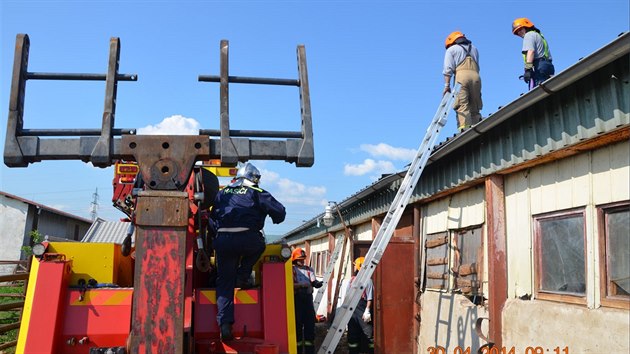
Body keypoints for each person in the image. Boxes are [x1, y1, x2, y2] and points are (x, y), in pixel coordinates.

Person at [211, 162, 286, 341]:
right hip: (247, 239)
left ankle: (225, 324)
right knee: (260, 245)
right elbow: (280, 212)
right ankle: (243, 274)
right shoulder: (257, 192)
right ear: (255, 178)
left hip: (223, 241)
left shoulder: (222, 194)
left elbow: (212, 220)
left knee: (224, 283)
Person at [443, 31, 483, 132]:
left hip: (461, 77)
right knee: (475, 106)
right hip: (476, 77)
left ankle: (464, 132)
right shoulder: (475, 48)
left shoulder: (451, 50)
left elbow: (448, 69)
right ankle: (477, 131)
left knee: (462, 105)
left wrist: (447, 85)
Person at [291, 248, 323, 354]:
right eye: (300, 259)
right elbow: (288, 285)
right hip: (297, 299)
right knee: (297, 326)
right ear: (295, 259)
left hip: (308, 299)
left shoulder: (309, 269)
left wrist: (317, 284)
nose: (302, 261)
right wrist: (300, 285)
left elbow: (313, 281)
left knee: (310, 325)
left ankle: (310, 351)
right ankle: (298, 350)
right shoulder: (291, 269)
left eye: (303, 259)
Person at [512, 17, 555, 89]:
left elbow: (531, 51)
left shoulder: (528, 35)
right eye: (517, 32)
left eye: (520, 29)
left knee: (539, 92)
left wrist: (528, 69)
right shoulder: (539, 35)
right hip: (548, 66)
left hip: (539, 66)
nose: (519, 33)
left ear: (527, 26)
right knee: (549, 88)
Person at [347, 257, 374, 354]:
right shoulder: (351, 280)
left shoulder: (368, 281)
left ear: (358, 267)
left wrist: (367, 310)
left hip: (363, 309)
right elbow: (347, 296)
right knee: (353, 334)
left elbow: (370, 297)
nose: (354, 267)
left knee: (368, 332)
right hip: (352, 311)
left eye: (355, 265)